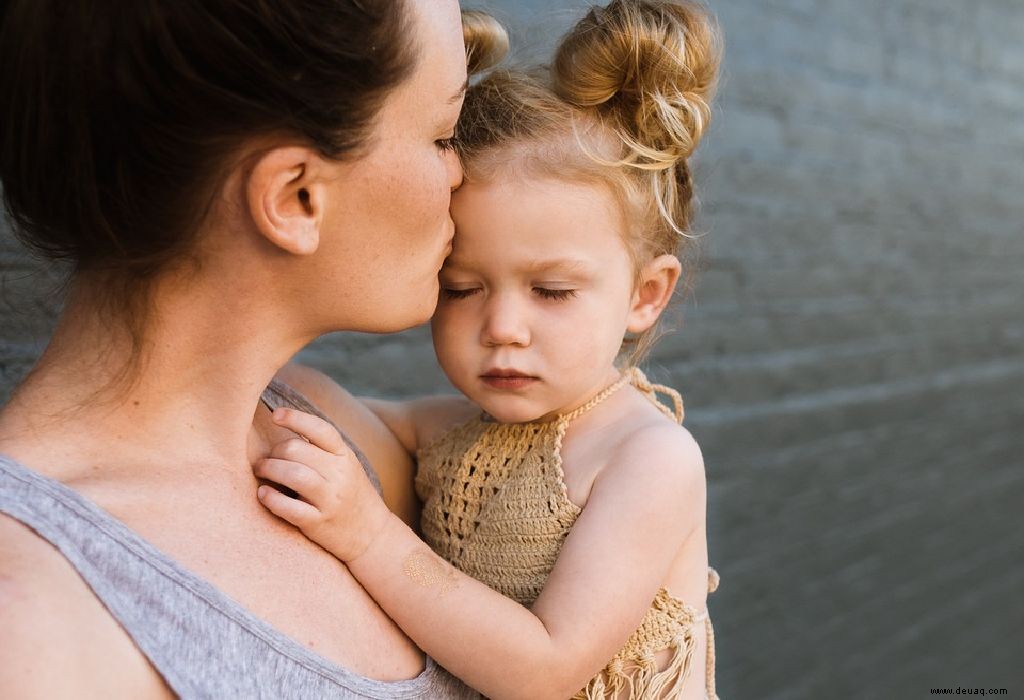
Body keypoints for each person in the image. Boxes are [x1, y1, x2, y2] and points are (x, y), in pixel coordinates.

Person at [0, 0, 504, 697]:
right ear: (296, 197)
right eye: (445, 135)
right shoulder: (32, 621)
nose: (463, 176)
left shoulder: (332, 438)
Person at [253, 1, 724, 698]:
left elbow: (544, 668)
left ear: (644, 296)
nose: (502, 325)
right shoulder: (448, 433)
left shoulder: (647, 460)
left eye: (552, 291)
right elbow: (327, 406)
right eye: (462, 287)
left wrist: (368, 535)